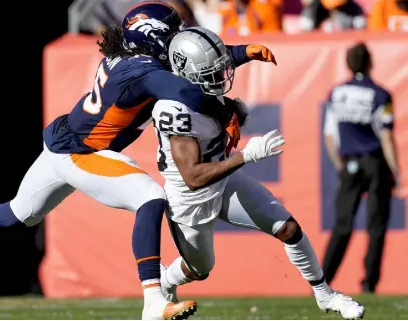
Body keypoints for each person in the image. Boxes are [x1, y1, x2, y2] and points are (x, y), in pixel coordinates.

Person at [0, 2, 276, 319]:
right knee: (150, 198)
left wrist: (241, 53)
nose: (181, 39)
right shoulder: (144, 72)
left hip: (63, 141)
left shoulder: (134, 58)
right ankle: (152, 301)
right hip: (82, 153)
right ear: (154, 41)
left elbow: (187, 65)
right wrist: (225, 107)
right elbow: (186, 89)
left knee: (18, 212)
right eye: (173, 34)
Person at [152, 27, 365, 319]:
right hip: (190, 196)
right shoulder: (174, 109)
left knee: (288, 228)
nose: (221, 77)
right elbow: (193, 177)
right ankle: (165, 282)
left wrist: (246, 52)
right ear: (186, 74)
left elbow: (224, 58)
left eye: (220, 70)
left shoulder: (196, 83)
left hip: (223, 180)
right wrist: (246, 155)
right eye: (211, 74)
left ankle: (326, 295)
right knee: (200, 268)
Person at [322, 42, 399, 294]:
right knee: (377, 227)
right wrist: (396, 171)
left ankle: (323, 280)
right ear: (370, 62)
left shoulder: (336, 93)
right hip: (375, 164)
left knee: (342, 225)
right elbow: (386, 135)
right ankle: (369, 283)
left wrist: (340, 164)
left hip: (350, 164)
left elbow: (330, 136)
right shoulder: (380, 94)